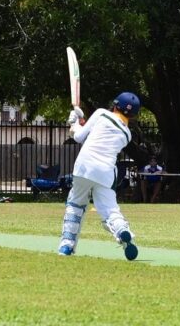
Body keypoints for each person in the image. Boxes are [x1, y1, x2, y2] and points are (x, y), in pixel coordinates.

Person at [58, 92, 141, 261]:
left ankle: (66, 245)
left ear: (115, 104)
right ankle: (122, 231)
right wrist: (81, 122)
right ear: (132, 115)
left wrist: (74, 121)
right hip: (105, 172)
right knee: (110, 210)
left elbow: (79, 137)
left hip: (84, 166)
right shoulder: (127, 134)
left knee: (76, 204)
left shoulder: (101, 113)